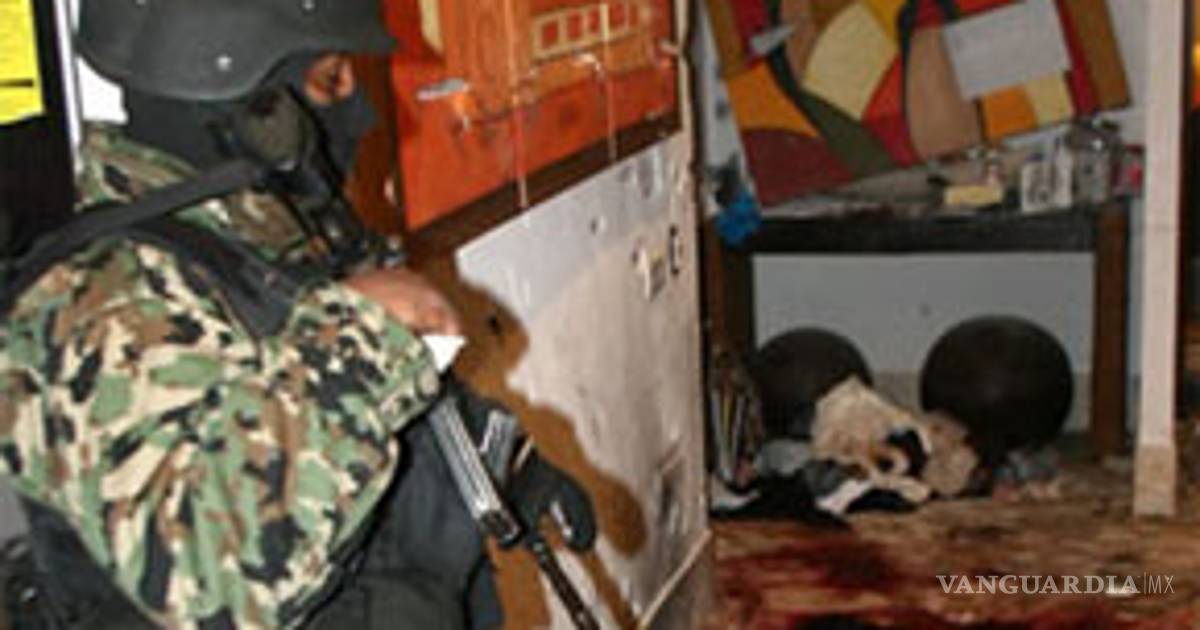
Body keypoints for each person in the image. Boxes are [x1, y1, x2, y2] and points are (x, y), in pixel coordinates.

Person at [0, 0, 593, 627]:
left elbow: (342, 421)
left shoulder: (260, 238)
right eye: (331, 79)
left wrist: (503, 464)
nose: (359, 114)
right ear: (257, 109)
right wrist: (364, 338)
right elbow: (213, 578)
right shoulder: (95, 302)